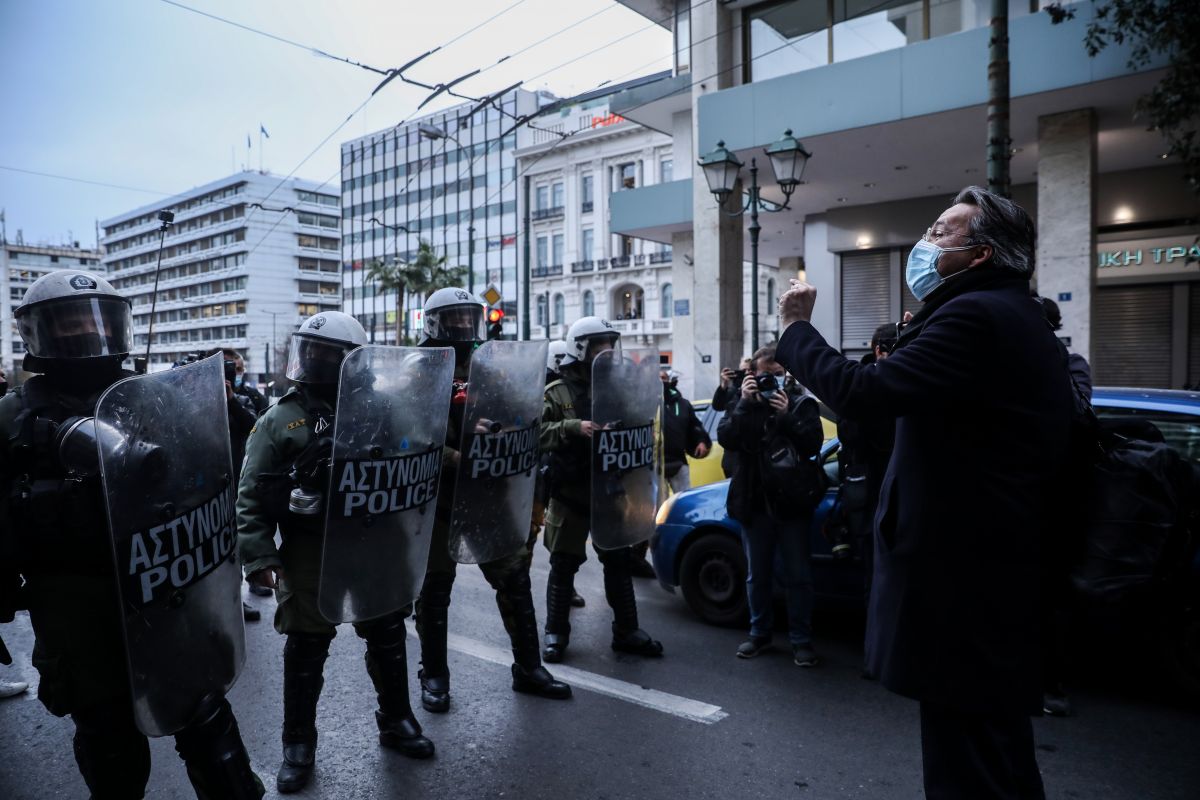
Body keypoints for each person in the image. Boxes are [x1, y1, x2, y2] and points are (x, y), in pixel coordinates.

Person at [776, 186, 1073, 799]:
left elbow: (866, 394)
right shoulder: (1001, 314)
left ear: (982, 255)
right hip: (988, 575)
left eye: (941, 232)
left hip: (965, 580)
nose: (923, 242)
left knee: (967, 763)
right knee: (995, 754)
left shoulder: (978, 317)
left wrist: (796, 331)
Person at [0, 270, 263, 799]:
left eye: (93, 321)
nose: (83, 334)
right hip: (77, 601)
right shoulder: (11, 419)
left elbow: (212, 472)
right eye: (66, 324)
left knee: (209, 724)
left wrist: (216, 403)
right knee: (110, 745)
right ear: (35, 335)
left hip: (165, 587)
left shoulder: (152, 398)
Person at [237, 311, 433, 794]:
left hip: (374, 545)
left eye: (331, 353)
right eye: (313, 350)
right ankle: (297, 743)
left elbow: (417, 458)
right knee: (306, 645)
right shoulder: (279, 419)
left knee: (387, 633)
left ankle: (396, 719)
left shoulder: (385, 408)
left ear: (354, 361)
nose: (320, 360)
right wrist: (261, 558)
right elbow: (250, 495)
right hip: (311, 550)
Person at [413, 288, 571, 714]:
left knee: (514, 577)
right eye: (455, 318)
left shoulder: (490, 364)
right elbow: (408, 434)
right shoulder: (420, 368)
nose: (464, 325)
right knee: (434, 591)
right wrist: (456, 456)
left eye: (469, 317)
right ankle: (434, 675)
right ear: (435, 322)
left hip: (488, 494)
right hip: (439, 499)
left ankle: (528, 667)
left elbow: (517, 411)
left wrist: (509, 426)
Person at [539, 316, 664, 662]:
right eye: (599, 345)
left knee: (619, 561)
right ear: (581, 348)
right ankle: (555, 633)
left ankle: (627, 630)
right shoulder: (558, 393)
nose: (608, 351)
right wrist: (570, 426)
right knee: (563, 565)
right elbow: (533, 434)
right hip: (571, 493)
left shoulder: (617, 389)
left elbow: (641, 428)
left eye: (611, 343)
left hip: (610, 492)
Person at [717, 344, 824, 667]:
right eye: (766, 376)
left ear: (787, 375)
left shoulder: (800, 402)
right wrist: (745, 404)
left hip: (791, 504)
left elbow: (813, 444)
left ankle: (801, 641)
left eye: (777, 376)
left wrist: (786, 416)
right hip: (755, 502)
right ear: (754, 375)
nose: (772, 383)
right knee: (757, 575)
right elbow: (727, 437)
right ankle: (759, 633)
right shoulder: (744, 402)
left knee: (799, 576)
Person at [535, 341, 586, 609]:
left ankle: (569, 589)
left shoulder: (582, 387)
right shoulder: (549, 390)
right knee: (555, 543)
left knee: (563, 547)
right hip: (549, 471)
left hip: (568, 474)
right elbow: (537, 431)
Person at [661, 369, 711, 494]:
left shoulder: (683, 404)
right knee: (656, 508)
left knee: (685, 500)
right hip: (653, 466)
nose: (661, 382)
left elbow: (695, 426)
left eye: (664, 378)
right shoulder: (645, 404)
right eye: (658, 378)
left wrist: (701, 441)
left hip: (678, 462)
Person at [224, 347, 269, 415]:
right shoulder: (217, 397)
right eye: (231, 369)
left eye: (238, 369)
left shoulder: (254, 396)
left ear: (243, 371)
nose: (235, 373)